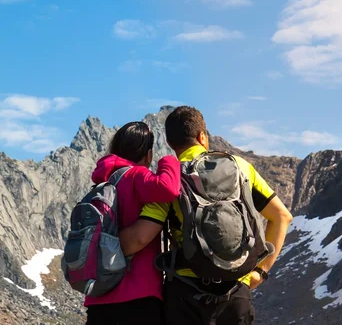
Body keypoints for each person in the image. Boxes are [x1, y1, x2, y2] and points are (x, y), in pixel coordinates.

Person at [119, 106, 293, 325]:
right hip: (236, 291)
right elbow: (282, 216)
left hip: (185, 292)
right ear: (202, 136)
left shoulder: (170, 181)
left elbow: (139, 238)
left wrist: (100, 246)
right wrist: (260, 272)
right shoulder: (241, 167)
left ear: (172, 145)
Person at [84, 121, 182, 325]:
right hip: (137, 296)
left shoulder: (102, 184)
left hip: (98, 298)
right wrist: (168, 161)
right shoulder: (136, 175)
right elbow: (169, 189)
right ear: (147, 154)